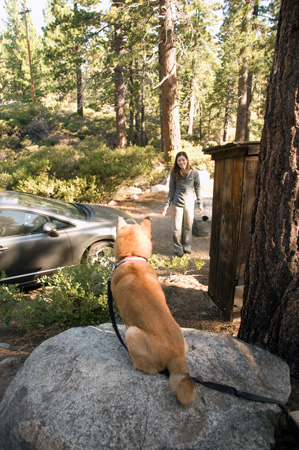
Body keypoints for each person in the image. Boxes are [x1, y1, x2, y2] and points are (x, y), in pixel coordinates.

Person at [162, 151, 202, 257]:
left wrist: (200, 203)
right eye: (179, 160)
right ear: (177, 162)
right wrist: (166, 206)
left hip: (189, 204)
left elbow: (197, 189)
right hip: (177, 204)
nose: (181, 162)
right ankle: (178, 248)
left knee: (188, 227)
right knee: (176, 228)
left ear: (187, 160)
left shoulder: (194, 172)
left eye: (183, 160)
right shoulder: (174, 172)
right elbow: (171, 190)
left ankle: (186, 247)